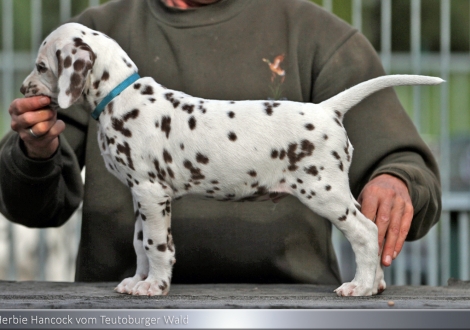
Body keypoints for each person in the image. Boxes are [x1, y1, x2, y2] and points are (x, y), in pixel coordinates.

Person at [0, 0, 441, 285]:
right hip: (116, 307)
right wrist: (34, 155)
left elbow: (403, 158)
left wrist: (397, 178)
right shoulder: (93, 34)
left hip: (290, 306)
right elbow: (33, 207)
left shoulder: (318, 35)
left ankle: (367, 275)